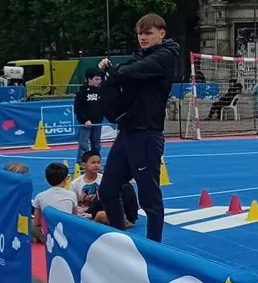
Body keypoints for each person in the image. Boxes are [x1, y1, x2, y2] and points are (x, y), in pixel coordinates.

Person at [98, 14, 179, 243]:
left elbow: (133, 71)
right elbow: (126, 71)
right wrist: (111, 72)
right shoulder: (139, 57)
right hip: (127, 131)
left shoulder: (165, 56)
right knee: (107, 190)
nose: (143, 37)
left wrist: (115, 73)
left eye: (148, 33)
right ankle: (119, 239)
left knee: (149, 197)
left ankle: (154, 247)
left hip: (146, 133)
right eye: (140, 33)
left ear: (161, 34)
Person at [33, 162, 77, 241]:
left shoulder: (39, 196)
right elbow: (75, 217)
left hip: (48, 236)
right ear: (65, 180)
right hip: (67, 234)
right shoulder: (72, 195)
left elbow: (37, 222)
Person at [73, 70, 105, 165]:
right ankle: (82, 163)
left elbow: (103, 105)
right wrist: (85, 119)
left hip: (97, 122)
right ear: (89, 79)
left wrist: (101, 116)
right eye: (96, 79)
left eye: (100, 79)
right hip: (85, 123)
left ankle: (96, 162)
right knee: (84, 144)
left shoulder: (100, 91)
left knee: (97, 145)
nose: (99, 81)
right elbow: (78, 108)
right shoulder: (82, 91)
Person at [70, 151, 103, 215]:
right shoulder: (75, 183)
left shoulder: (104, 180)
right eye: (93, 163)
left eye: (98, 163)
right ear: (83, 165)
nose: (96, 165)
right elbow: (72, 205)